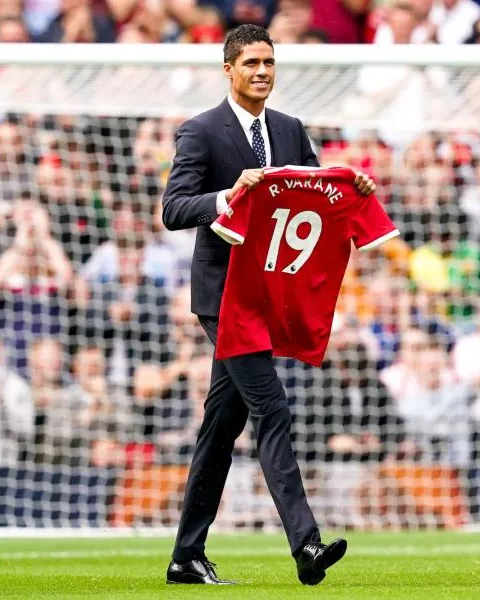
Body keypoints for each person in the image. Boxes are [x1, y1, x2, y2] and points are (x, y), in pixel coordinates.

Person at [161, 24, 376, 586]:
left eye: (269, 63)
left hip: (268, 292)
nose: (262, 71)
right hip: (224, 297)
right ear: (229, 69)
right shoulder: (201, 131)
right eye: (252, 62)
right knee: (272, 407)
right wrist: (226, 195)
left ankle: (186, 555)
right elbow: (174, 208)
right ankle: (305, 545)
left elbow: (315, 191)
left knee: (221, 425)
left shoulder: (289, 130)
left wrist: (351, 186)